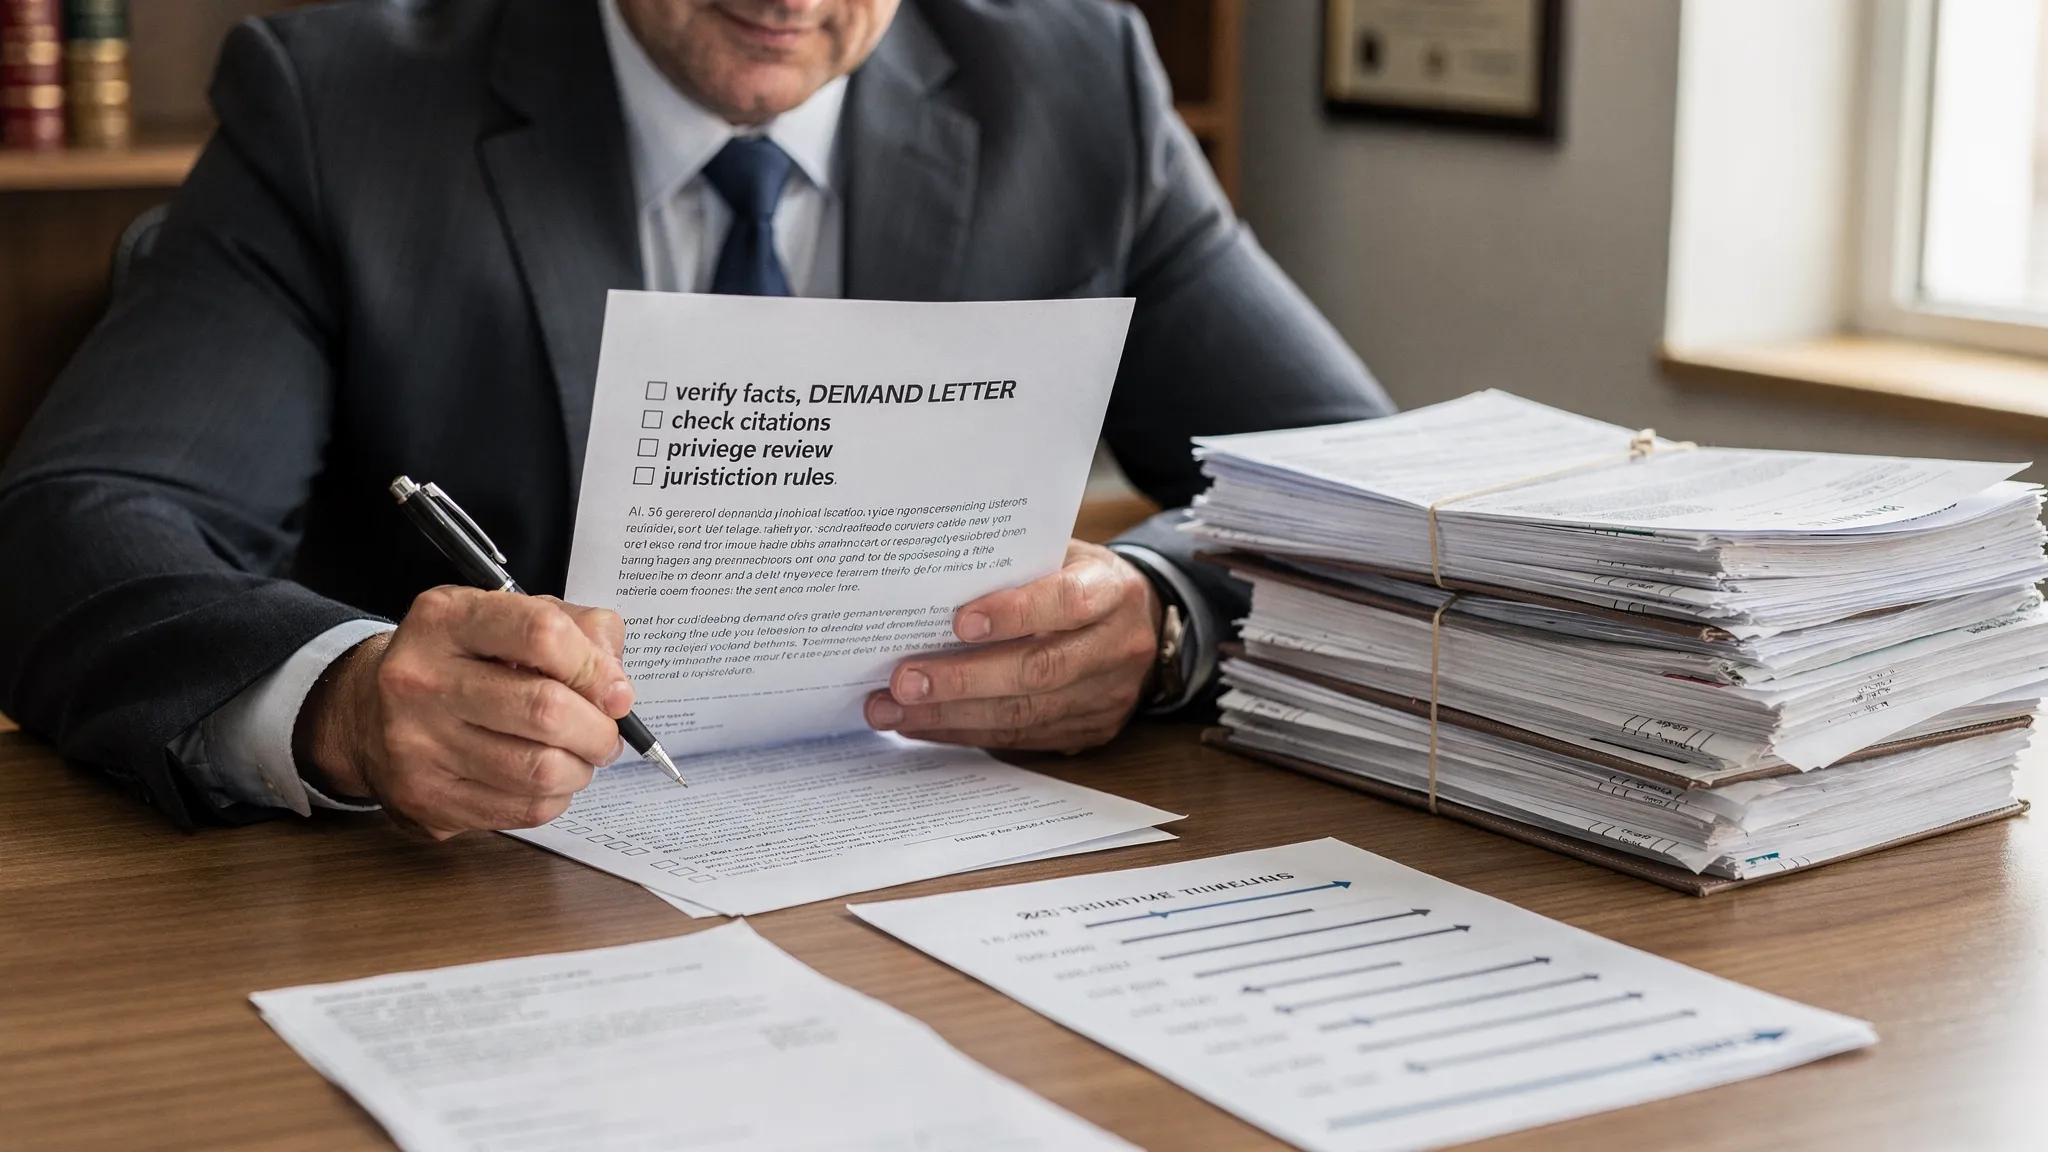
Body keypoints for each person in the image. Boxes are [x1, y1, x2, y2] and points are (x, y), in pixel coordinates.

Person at [0, 0, 1390, 836]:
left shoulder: (1079, 89)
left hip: (952, 888)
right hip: (464, 912)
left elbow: (1372, 489)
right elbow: (77, 523)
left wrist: (1160, 618)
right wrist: (349, 707)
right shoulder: (342, 110)